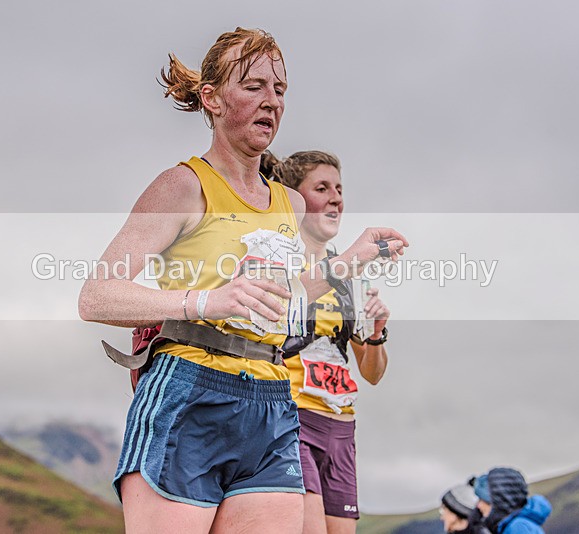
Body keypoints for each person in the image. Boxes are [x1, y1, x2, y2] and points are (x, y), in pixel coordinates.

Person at [78, 28, 408, 533]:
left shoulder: (290, 203)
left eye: (279, 90)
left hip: (273, 401)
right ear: (211, 98)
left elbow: (287, 300)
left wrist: (353, 259)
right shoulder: (183, 185)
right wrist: (206, 301)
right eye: (253, 86)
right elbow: (97, 296)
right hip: (189, 390)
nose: (271, 101)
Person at [261, 150, 391, 534]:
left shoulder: (351, 278)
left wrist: (378, 333)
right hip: (292, 419)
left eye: (339, 189)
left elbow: (372, 373)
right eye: (322, 188)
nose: (336, 198)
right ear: (295, 198)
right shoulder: (277, 263)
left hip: (341, 429)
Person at [473, 468, 552, 534]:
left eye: (483, 500)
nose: (478, 505)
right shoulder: (515, 525)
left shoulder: (518, 528)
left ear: (500, 501)